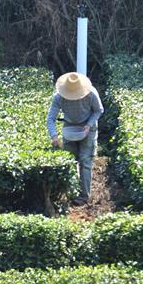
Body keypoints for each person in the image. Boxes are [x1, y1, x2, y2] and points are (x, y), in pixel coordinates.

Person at [46, 72, 104, 206]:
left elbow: (98, 110)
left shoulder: (91, 93)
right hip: (70, 128)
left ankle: (84, 196)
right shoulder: (59, 97)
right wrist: (54, 136)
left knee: (85, 160)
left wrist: (88, 125)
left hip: (88, 129)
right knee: (69, 160)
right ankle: (69, 192)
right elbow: (51, 118)